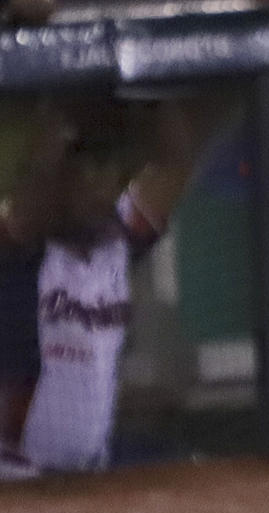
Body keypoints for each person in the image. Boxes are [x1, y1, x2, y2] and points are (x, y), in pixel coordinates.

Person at [0, 97, 210, 477]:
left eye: (107, 176)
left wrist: (148, 83)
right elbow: (27, 204)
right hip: (17, 472)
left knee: (191, 473)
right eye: (85, 174)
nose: (99, 188)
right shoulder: (20, 254)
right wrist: (55, 139)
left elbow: (176, 163)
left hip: (86, 466)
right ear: (60, 184)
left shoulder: (116, 243)